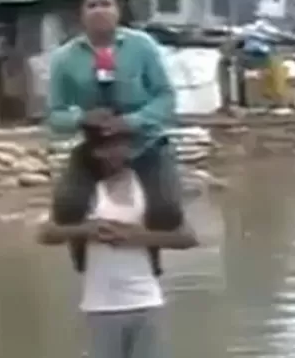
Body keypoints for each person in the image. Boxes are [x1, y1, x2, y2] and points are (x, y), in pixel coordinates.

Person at [47, 0, 184, 276]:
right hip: (95, 146)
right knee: (66, 207)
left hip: (144, 143)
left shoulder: (142, 46)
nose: (100, 11)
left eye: (106, 4)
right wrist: (81, 119)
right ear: (80, 14)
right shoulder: (64, 59)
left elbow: (166, 96)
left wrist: (132, 121)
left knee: (167, 210)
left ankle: (151, 256)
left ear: (119, 10)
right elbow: (54, 116)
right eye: (92, 5)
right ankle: (83, 259)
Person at [37, 128, 197, 358]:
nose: (118, 152)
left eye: (123, 145)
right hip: (100, 306)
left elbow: (188, 237)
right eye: (109, 147)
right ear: (95, 151)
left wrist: (137, 237)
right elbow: (45, 233)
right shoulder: (81, 192)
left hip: (146, 301)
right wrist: (88, 230)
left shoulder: (148, 188)